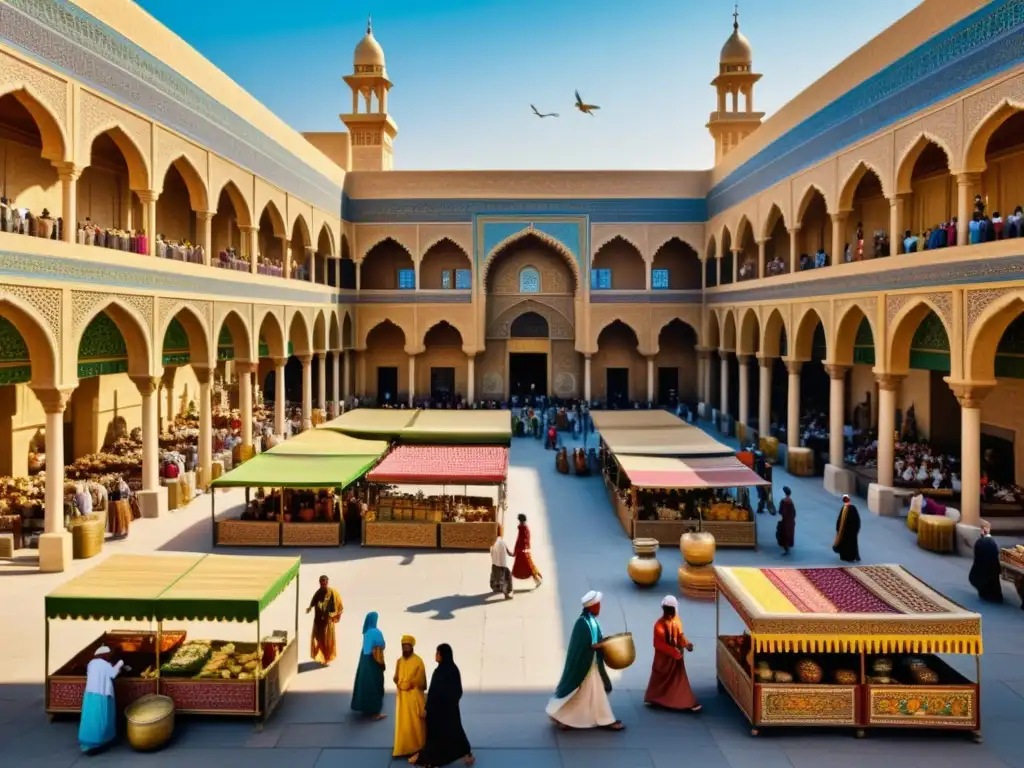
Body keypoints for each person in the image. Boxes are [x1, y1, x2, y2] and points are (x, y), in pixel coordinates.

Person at [545, 590, 623, 731]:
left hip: (591, 665)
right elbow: (587, 645)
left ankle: (563, 716)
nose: (600, 607)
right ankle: (606, 720)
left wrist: (604, 642)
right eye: (598, 604)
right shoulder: (584, 623)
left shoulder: (590, 621)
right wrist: (602, 644)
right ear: (592, 606)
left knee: (586, 695)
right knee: (593, 694)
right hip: (586, 666)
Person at [416, 644, 474, 767]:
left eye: (438, 653)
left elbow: (457, 691)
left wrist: (448, 704)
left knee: (454, 731)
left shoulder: (452, 671)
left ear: (443, 655)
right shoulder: (439, 671)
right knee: (438, 735)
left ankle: (465, 753)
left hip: (447, 711)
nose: (436, 655)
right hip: (436, 711)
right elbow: (433, 692)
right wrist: (428, 708)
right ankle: (434, 759)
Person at [643, 596, 700, 712]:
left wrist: (686, 644)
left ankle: (687, 702)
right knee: (660, 681)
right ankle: (654, 698)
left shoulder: (677, 621)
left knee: (679, 681)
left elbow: (680, 636)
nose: (669, 614)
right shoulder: (658, 625)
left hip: (676, 660)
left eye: (671, 611)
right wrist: (673, 652)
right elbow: (658, 644)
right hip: (664, 660)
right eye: (667, 611)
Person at [78, 646, 125, 754]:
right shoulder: (105, 664)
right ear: (105, 655)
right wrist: (120, 663)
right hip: (103, 695)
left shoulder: (91, 663)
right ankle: (100, 741)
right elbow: (113, 674)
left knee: (89, 717)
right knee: (102, 718)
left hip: (90, 694)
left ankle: (86, 741)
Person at [393, 635, 428, 761]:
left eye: (407, 646)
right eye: (403, 646)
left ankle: (417, 748)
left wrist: (410, 683)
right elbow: (396, 677)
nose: (405, 648)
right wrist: (399, 683)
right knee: (403, 724)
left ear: (412, 647)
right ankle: (402, 749)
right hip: (402, 699)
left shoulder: (418, 661)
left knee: (415, 723)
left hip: (414, 698)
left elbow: (422, 681)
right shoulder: (399, 661)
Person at [352, 612, 387, 719]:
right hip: (373, 660)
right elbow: (382, 644)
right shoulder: (376, 632)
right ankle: (375, 712)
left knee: (365, 683)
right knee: (374, 683)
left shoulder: (366, 632)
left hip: (364, 659)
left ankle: (364, 707)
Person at [306, 575, 343, 666]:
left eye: (324, 583)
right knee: (318, 640)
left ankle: (326, 658)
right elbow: (314, 600)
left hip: (328, 622)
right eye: (321, 583)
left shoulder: (332, 593)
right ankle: (321, 657)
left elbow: (339, 605)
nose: (322, 585)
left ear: (327, 582)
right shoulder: (318, 592)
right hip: (318, 621)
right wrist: (310, 607)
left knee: (327, 642)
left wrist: (333, 614)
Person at [969, 522, 1003, 603]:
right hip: (993, 570)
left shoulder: (980, 542)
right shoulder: (992, 543)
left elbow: (977, 558)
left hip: (982, 569)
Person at [511, 514, 543, 588]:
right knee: (528, 566)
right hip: (523, 550)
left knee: (524, 566)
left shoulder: (522, 528)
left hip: (521, 551)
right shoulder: (525, 528)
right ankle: (537, 580)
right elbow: (525, 539)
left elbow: (520, 540)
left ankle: (537, 580)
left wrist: (517, 550)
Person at [833, 494, 861, 563]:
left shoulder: (847, 508)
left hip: (848, 531)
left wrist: (838, 529)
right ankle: (848, 556)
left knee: (848, 544)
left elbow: (840, 520)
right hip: (848, 531)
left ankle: (848, 557)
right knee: (848, 544)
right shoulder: (848, 508)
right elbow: (857, 520)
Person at [489, 527, 513, 599]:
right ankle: (506, 594)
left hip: (494, 564)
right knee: (506, 579)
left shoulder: (492, 543)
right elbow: (509, 553)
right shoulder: (502, 542)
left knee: (495, 578)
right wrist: (515, 554)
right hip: (502, 565)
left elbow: (491, 553)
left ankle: (495, 589)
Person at [776, 486, 796, 555]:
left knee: (783, 534)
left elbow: (781, 511)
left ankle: (785, 548)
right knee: (789, 534)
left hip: (784, 521)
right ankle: (787, 547)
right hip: (790, 521)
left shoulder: (783, 501)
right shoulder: (791, 501)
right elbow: (794, 513)